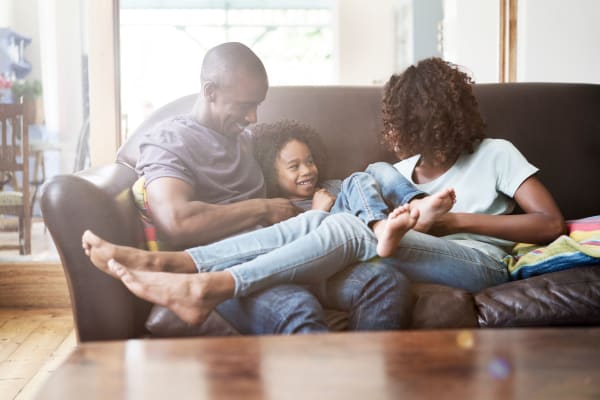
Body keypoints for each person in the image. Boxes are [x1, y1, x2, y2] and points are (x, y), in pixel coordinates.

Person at [107, 41, 409, 334]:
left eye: (257, 106)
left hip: (286, 254)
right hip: (226, 266)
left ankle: (366, 382)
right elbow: (176, 221)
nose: (252, 118)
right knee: (297, 308)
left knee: (385, 282)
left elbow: (294, 159)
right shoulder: (170, 140)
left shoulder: (246, 139)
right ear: (210, 91)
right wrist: (262, 208)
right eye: (244, 106)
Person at [82, 121, 457, 326]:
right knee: (299, 299)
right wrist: (311, 214)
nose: (307, 170)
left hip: (343, 258)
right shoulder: (268, 203)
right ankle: (174, 266)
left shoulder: (331, 186)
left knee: (384, 276)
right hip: (282, 260)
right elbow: (131, 157)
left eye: (309, 162)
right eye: (293, 166)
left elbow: (358, 196)